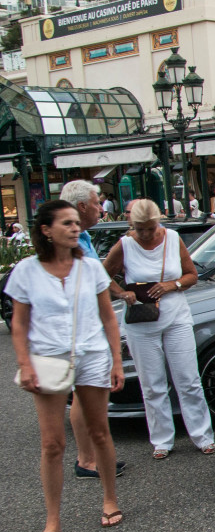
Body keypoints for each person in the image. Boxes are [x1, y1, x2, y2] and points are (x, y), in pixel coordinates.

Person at [6, 200, 125, 532]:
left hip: (91, 355)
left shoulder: (90, 268)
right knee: (52, 443)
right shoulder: (26, 270)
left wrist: (117, 361)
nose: (76, 229)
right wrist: (24, 363)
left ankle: (109, 499)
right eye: (67, 224)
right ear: (46, 230)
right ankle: (53, 520)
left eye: (77, 223)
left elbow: (108, 318)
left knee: (99, 431)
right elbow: (19, 323)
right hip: (47, 358)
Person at [103, 200, 215, 459]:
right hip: (142, 321)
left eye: (150, 228)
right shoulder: (125, 244)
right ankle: (162, 440)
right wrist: (122, 293)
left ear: (158, 221)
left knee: (188, 379)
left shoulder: (173, 238)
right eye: (139, 229)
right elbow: (103, 274)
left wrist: (171, 285)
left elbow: (191, 275)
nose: (145, 234)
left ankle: (202, 435)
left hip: (176, 316)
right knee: (152, 384)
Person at [58, 179, 125, 479]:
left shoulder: (81, 236)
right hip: (77, 329)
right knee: (81, 393)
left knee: (87, 393)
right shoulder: (69, 239)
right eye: (97, 202)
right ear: (82, 205)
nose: (101, 208)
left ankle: (93, 457)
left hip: (88, 326)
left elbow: (96, 276)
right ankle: (86, 460)